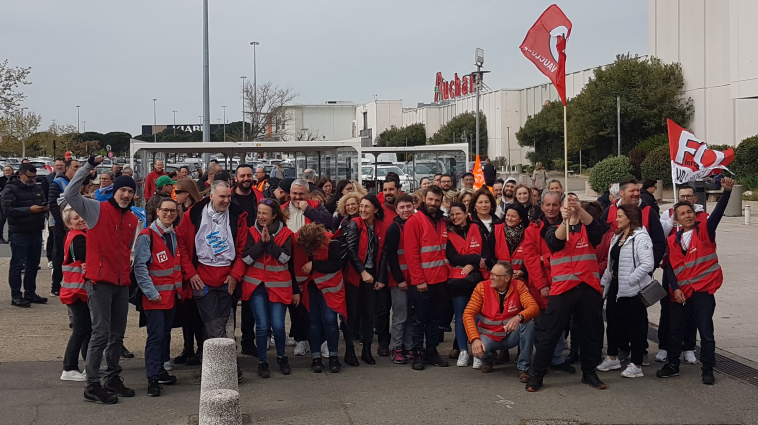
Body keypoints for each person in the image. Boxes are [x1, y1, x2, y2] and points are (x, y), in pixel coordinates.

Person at [63, 155, 139, 404]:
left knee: (117, 334)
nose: (126, 195)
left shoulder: (132, 219)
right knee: (100, 333)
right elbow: (71, 193)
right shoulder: (96, 209)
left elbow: (127, 250)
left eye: (130, 191)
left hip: (121, 284)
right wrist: (88, 166)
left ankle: (112, 377)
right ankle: (92, 384)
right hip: (99, 283)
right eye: (122, 190)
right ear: (114, 191)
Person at [526, 195, 609, 392]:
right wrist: (566, 221)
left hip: (588, 287)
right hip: (563, 289)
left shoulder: (588, 229)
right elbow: (556, 242)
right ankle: (538, 374)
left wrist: (579, 210)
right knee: (550, 334)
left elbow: (599, 232)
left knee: (590, 334)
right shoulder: (554, 229)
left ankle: (589, 373)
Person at [657, 177, 735, 385]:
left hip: (702, 292)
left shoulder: (705, 232)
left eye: (689, 212)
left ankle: (708, 369)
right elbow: (671, 267)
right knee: (675, 331)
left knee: (706, 333)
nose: (687, 216)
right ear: (676, 220)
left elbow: (717, 215)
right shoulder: (672, 240)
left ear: (694, 213)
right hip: (681, 293)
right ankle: (673, 364)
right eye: (682, 214)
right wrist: (674, 289)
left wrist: (726, 193)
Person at [175, 180, 248, 382]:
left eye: (228, 197)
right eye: (222, 196)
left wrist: (235, 274)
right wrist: (190, 273)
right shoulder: (194, 214)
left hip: (227, 278)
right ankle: (230, 367)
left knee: (221, 325)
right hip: (202, 279)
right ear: (211, 196)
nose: (226, 200)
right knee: (214, 325)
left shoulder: (237, 216)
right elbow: (181, 243)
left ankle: (219, 369)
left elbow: (243, 249)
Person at [597, 204, 655, 378]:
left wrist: (631, 279)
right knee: (613, 323)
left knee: (635, 327)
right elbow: (611, 264)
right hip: (615, 287)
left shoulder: (641, 237)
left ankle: (636, 364)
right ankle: (612, 357)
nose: (617, 219)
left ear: (630, 217)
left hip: (633, 290)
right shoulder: (618, 236)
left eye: (620, 216)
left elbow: (647, 264)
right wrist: (604, 282)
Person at [240, 198, 296, 378]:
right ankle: (262, 362)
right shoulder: (250, 232)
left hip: (279, 286)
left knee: (279, 326)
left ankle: (282, 357)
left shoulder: (286, 233)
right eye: (259, 213)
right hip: (257, 286)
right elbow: (246, 259)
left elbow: (285, 259)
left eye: (265, 213)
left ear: (274, 216)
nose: (261, 216)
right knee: (262, 326)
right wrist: (261, 244)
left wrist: (270, 243)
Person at [521, 191, 574, 372]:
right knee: (542, 325)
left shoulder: (568, 226)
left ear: (560, 206)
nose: (551, 208)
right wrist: (542, 284)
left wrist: (545, 258)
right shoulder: (533, 228)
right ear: (542, 206)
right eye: (548, 205)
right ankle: (543, 359)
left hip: (564, 283)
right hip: (540, 285)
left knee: (559, 325)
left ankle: (557, 358)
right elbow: (530, 258)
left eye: (555, 205)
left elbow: (569, 254)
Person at [133, 198, 181, 396]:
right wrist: (150, 292)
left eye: (173, 211)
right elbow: (140, 267)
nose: (169, 214)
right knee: (155, 337)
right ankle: (152, 377)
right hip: (154, 297)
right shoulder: (147, 236)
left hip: (171, 295)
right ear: (158, 212)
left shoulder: (173, 235)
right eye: (165, 211)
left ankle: (160, 369)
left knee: (165, 334)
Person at [465, 261, 539, 381]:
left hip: (510, 335)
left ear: (507, 278)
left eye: (495, 275)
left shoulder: (519, 285)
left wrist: (519, 317)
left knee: (529, 323)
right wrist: (474, 339)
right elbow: (468, 313)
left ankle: (523, 367)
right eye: (491, 274)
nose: (491, 277)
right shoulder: (482, 287)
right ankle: (488, 360)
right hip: (488, 336)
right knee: (480, 350)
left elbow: (533, 307)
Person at [283, 179, 333, 355]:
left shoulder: (316, 206)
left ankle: (323, 341)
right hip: (292, 262)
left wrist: (308, 209)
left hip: (315, 262)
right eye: (294, 193)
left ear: (307, 194)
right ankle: (300, 339)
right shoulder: (283, 210)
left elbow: (329, 223)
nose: (297, 197)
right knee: (296, 306)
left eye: (301, 194)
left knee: (317, 307)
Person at [405, 185, 450, 370]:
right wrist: (419, 280)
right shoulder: (414, 221)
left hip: (440, 280)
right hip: (423, 282)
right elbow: (412, 254)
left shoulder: (441, 221)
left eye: (437, 201)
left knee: (435, 320)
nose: (433, 203)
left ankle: (431, 351)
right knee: (419, 320)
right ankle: (417, 353)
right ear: (424, 198)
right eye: (430, 199)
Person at [656, 185, 701, 363]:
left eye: (689, 196)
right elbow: (660, 236)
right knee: (668, 308)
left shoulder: (701, 217)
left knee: (692, 310)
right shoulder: (669, 214)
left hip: (694, 271)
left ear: (695, 199)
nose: (685, 199)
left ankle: (689, 347)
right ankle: (664, 346)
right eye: (682, 195)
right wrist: (670, 222)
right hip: (672, 269)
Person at [293, 223, 345, 373]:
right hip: (310, 288)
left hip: (328, 287)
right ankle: (316, 358)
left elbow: (336, 264)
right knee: (313, 322)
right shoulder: (300, 243)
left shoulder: (331, 243)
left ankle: (334, 356)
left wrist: (314, 264)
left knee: (330, 320)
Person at [446, 202, 490, 367]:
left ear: (466, 214)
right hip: (457, 282)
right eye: (452, 215)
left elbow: (486, 252)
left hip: (476, 280)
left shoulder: (477, 228)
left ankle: (477, 352)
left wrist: (474, 264)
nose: (455, 217)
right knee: (460, 317)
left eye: (458, 214)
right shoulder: (448, 233)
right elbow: (452, 257)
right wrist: (476, 259)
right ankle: (463, 351)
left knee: (477, 317)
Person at [345, 195, 387, 364]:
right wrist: (362, 272)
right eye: (361, 206)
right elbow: (351, 250)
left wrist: (380, 278)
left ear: (375, 210)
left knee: (369, 313)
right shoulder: (354, 224)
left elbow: (384, 254)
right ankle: (349, 351)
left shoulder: (380, 226)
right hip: (354, 274)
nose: (362, 209)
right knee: (352, 314)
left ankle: (367, 350)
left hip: (371, 274)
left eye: (366, 207)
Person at [3, 162, 49, 308]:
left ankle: (30, 292)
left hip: (36, 230)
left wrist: (44, 207)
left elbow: (42, 200)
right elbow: (8, 210)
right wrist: (29, 210)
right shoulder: (10, 189)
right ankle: (16, 295)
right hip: (19, 232)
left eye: (34, 177)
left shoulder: (36, 187)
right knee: (17, 265)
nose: (32, 179)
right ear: (21, 174)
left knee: (33, 265)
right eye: (30, 177)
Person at [377, 194, 415, 364]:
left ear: (413, 206)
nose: (406, 210)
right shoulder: (394, 228)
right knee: (400, 315)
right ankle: (397, 347)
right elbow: (391, 256)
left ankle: (409, 346)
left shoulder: (415, 225)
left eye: (408, 206)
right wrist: (399, 279)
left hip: (414, 278)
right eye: (402, 207)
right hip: (398, 280)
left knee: (411, 315)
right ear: (397, 209)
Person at [231, 165, 264, 358]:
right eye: (242, 175)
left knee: (250, 300)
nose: (246, 178)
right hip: (233, 254)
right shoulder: (229, 198)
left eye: (249, 175)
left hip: (255, 254)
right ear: (236, 178)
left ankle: (247, 341)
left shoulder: (259, 197)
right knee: (231, 302)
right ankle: (229, 342)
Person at [171, 178, 205, 367]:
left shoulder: (194, 213)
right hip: (185, 268)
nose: (175, 196)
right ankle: (188, 348)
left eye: (178, 192)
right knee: (187, 313)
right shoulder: (183, 213)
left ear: (187, 193)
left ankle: (199, 349)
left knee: (195, 313)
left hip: (195, 266)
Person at [59, 207, 91, 382]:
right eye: (75, 218)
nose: (80, 220)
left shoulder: (76, 236)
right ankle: (69, 367)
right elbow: (90, 257)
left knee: (87, 329)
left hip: (77, 291)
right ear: (68, 223)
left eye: (81, 216)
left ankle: (89, 363)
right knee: (81, 330)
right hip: (76, 292)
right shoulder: (78, 238)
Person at [49, 159, 81, 297]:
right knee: (59, 254)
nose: (78, 169)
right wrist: (62, 223)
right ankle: (55, 285)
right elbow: (52, 203)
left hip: (74, 225)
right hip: (61, 225)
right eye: (75, 167)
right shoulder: (57, 183)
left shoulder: (76, 183)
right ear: (67, 168)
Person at [0, 165, 14, 243]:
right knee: (2, 220)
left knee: (12, 221)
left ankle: (11, 237)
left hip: (13, 202)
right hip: (2, 203)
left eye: (9, 170)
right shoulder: (1, 179)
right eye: (6, 170)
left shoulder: (15, 179)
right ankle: (0, 237)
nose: (7, 172)